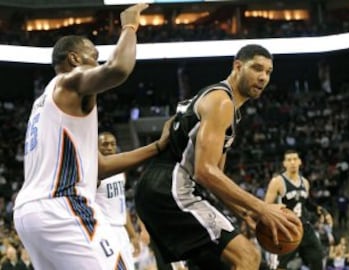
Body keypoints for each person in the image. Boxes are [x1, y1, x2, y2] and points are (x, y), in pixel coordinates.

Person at [12, 4, 161, 270]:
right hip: (63, 205)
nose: (98, 63)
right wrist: (129, 26)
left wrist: (157, 147)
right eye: (94, 56)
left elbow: (100, 167)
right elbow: (119, 69)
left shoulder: (43, 105)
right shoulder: (70, 80)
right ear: (74, 59)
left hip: (29, 214)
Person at [134, 44, 301, 270]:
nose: (263, 77)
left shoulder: (216, 99)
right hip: (171, 189)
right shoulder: (222, 101)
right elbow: (205, 171)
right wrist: (261, 208)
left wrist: (242, 212)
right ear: (237, 66)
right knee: (248, 258)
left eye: (268, 72)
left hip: (157, 189)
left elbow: (215, 177)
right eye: (257, 68)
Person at [264, 149, 332, 270]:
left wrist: (323, 211)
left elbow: (307, 203)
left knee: (318, 259)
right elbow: (266, 206)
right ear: (284, 163)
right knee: (280, 266)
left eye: (295, 159)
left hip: (304, 227)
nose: (292, 162)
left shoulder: (305, 182)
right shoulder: (277, 182)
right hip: (287, 228)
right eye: (289, 160)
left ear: (300, 162)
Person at [96, 131, 140, 270]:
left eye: (112, 144)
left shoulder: (120, 172)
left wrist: (132, 235)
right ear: (96, 148)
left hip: (121, 230)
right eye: (104, 144)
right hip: (104, 229)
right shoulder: (93, 172)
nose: (109, 147)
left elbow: (121, 205)